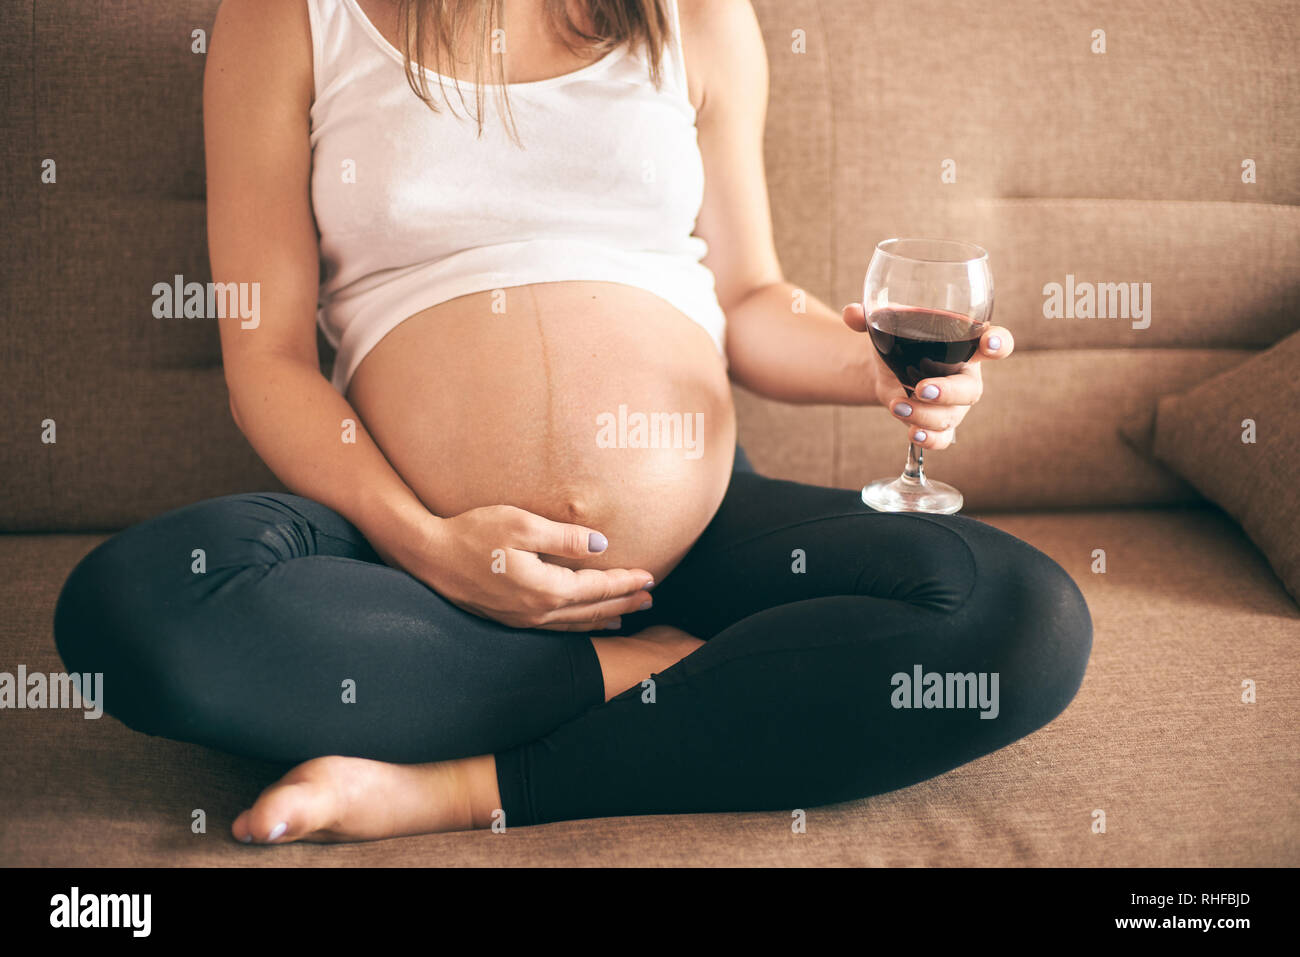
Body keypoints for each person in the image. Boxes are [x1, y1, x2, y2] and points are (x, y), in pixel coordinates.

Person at [53, 0, 1091, 844]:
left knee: (1019, 618)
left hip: (696, 540)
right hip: (413, 558)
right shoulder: (292, 17)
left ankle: (471, 784)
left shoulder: (693, 15)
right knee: (129, 614)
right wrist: (431, 546)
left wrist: (870, 369)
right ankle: (648, 673)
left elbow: (751, 300)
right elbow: (265, 359)